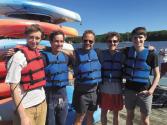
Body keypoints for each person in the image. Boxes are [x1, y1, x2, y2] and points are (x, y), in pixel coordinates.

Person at [5, 24, 47, 125]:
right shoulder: (18, 57)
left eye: (37, 38)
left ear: (41, 39)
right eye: (31, 37)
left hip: (42, 103)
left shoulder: (38, 53)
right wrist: (23, 117)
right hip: (26, 108)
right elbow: (13, 88)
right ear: (26, 37)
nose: (34, 41)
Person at [62, 30, 102, 125]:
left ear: (94, 42)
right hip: (81, 93)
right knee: (79, 119)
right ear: (82, 40)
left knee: (90, 117)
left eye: (90, 41)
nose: (87, 43)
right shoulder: (75, 54)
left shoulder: (98, 53)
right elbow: (59, 50)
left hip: (94, 92)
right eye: (85, 40)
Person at [123, 27, 160, 125]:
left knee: (145, 120)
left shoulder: (152, 55)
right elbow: (113, 49)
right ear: (131, 39)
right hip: (129, 90)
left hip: (145, 91)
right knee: (129, 116)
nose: (138, 40)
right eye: (135, 37)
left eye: (140, 37)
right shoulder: (126, 51)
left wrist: (151, 91)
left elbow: (157, 74)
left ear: (145, 38)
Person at [41, 31, 71, 125]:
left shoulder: (66, 57)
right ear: (51, 42)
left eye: (61, 41)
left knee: (62, 120)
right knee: (50, 121)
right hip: (49, 94)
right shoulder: (43, 57)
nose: (59, 44)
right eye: (56, 41)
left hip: (62, 94)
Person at [99, 32, 124, 125]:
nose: (112, 43)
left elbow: (136, 50)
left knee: (116, 113)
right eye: (110, 41)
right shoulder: (101, 54)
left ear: (118, 42)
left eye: (115, 41)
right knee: (103, 112)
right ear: (106, 42)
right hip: (104, 87)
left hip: (117, 88)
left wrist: (150, 49)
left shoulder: (122, 55)